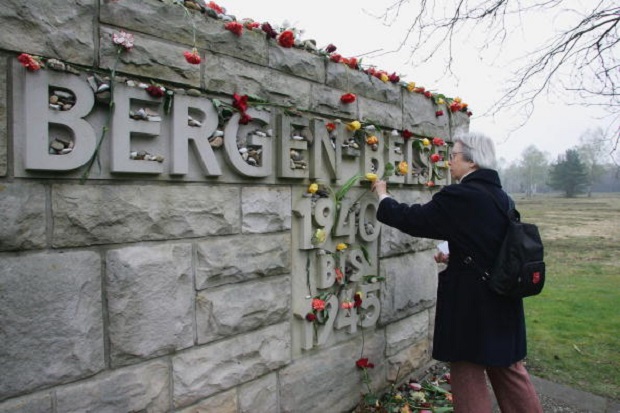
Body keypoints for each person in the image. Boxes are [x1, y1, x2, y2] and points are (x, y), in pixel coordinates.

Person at [372, 132, 543, 413]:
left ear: (472, 161)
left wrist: (383, 196)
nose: (448, 162)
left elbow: (414, 219)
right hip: (503, 298)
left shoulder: (461, 195)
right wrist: (456, 254)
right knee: (509, 370)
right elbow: (490, 244)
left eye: (453, 157)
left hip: (471, 303)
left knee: (467, 370)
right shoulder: (501, 196)